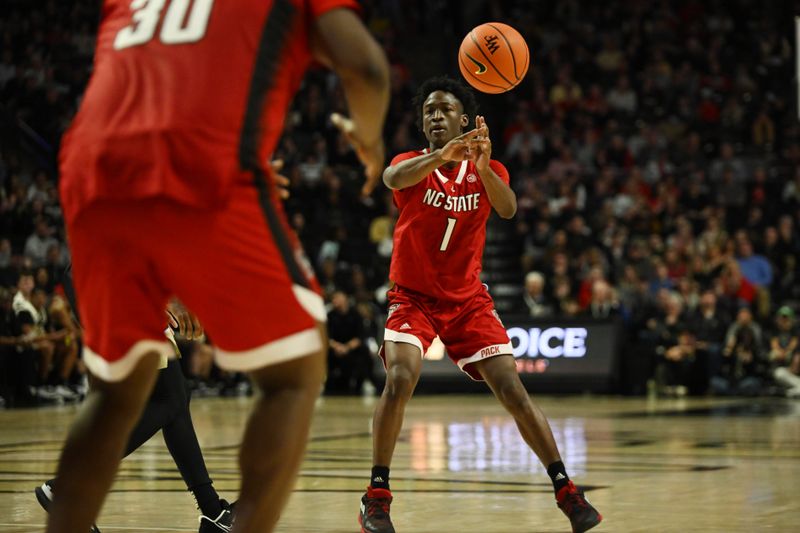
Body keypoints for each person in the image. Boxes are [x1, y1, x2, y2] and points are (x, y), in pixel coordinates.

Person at [49, 1, 389, 532]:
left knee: (122, 393)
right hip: (195, 169)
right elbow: (366, 67)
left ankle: (183, 508)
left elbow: (160, 87)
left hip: (90, 169)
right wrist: (369, 142)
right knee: (295, 374)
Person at [357, 76, 601, 533]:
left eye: (444, 109)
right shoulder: (413, 163)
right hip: (412, 296)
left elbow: (507, 208)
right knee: (402, 376)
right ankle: (377, 495)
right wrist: (439, 158)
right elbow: (391, 178)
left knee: (512, 389)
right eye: (428, 110)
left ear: (464, 120)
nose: (434, 116)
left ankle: (566, 489)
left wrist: (484, 167)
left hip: (467, 299)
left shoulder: (490, 169)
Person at [35, 274, 234, 533]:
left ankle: (213, 511)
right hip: (120, 295)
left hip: (121, 293)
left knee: (176, 398)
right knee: (170, 399)